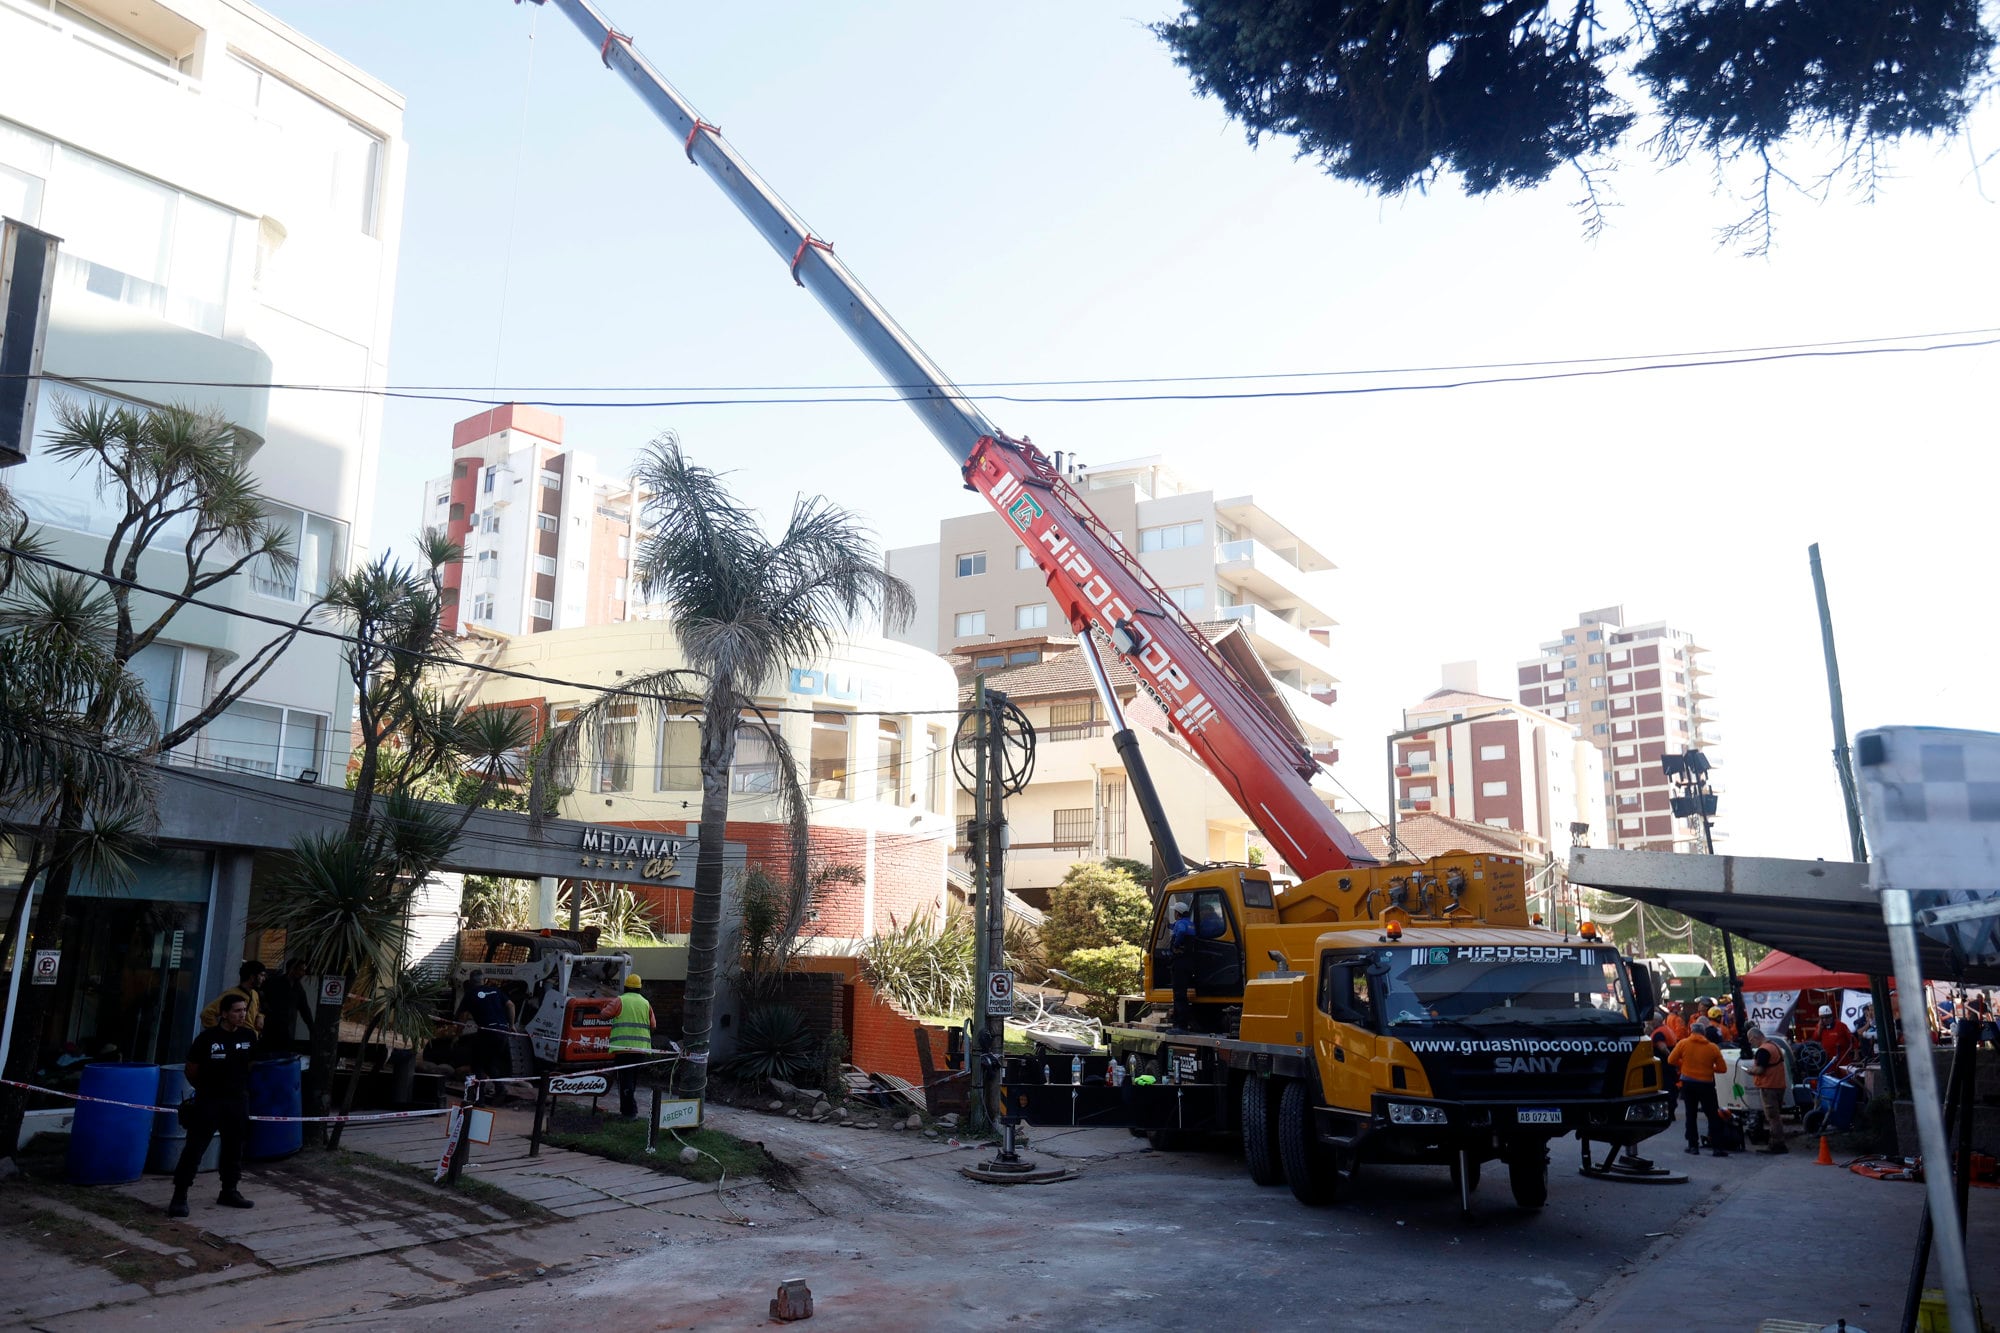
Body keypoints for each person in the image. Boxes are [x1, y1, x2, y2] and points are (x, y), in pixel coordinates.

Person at [168, 991, 258, 1217]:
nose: (242, 1014)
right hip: (209, 1100)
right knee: (195, 1147)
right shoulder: (207, 1039)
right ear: (224, 1014)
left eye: (244, 1010)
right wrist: (205, 1089)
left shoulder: (249, 1037)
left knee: (234, 1147)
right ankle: (180, 1195)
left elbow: (251, 1065)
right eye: (237, 1011)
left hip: (237, 1100)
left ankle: (229, 1190)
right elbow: (191, 1069)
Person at [1670, 1021, 1732, 1156]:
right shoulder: (1713, 1048)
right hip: (1706, 1084)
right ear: (1704, 1033)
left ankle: (1693, 1146)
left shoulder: (1683, 1044)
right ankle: (1717, 1147)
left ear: (1691, 1031)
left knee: (1690, 1114)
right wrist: (1710, 1068)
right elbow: (1722, 1069)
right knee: (1712, 1116)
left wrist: (1684, 1065)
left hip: (1688, 1084)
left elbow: (1671, 1060)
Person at [456, 969, 517, 1103]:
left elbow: (464, 1016)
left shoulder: (470, 994)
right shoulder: (496, 991)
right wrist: (511, 1024)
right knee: (490, 1063)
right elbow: (511, 1005)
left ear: (471, 982)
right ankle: (500, 1089)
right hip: (502, 1033)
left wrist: (457, 1034)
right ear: (484, 980)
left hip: (487, 1033)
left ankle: (480, 1099)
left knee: (478, 1065)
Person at [606, 972, 657, 1119]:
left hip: (623, 1049)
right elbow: (653, 1025)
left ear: (626, 987)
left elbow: (604, 1014)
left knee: (624, 1079)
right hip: (640, 1049)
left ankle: (629, 1112)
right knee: (632, 1079)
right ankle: (627, 1110)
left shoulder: (620, 1000)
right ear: (639, 988)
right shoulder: (646, 1003)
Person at [1745, 1025, 1791, 1154]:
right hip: (1778, 1085)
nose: (1750, 1043)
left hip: (1769, 1086)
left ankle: (1777, 1145)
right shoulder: (1774, 1046)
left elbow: (1760, 1069)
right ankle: (1776, 1143)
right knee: (1776, 1116)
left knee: (1773, 1117)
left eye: (1750, 1040)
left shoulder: (1763, 1050)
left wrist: (1750, 1071)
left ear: (1755, 1037)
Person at [258, 957, 310, 1056]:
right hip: (269, 1027)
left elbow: (304, 1009)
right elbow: (260, 995)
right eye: (300, 970)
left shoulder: (298, 988)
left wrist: (312, 1029)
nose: (303, 973)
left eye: (304, 970)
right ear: (292, 969)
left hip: (285, 1028)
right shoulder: (274, 982)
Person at [200, 960, 267, 1035]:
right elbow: (207, 1013)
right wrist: (221, 1033)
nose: (263, 979)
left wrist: (260, 1016)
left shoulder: (254, 994)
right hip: (236, 1040)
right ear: (252, 977)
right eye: (261, 975)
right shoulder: (232, 994)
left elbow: (256, 1011)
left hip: (249, 1040)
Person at [1166, 900, 1197, 1030]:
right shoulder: (1191, 924)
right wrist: (1168, 925)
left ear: (1177, 913)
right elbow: (1179, 928)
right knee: (1182, 993)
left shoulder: (1181, 925)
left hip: (1179, 963)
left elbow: (1180, 931)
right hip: (1189, 962)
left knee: (1179, 995)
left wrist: (1176, 945)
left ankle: (1180, 1025)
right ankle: (1182, 1023)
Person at [1650, 1010, 1682, 1121]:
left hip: (1664, 1066)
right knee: (1671, 1088)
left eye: (1651, 1021)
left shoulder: (1658, 1033)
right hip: (1670, 1066)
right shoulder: (1667, 1029)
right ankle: (1670, 1112)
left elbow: (1663, 1048)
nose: (1649, 1023)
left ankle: (1667, 1113)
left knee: (1666, 1089)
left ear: (1655, 1021)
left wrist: (1671, 1059)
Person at [1817, 1004, 1856, 1068]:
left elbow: (1852, 1039)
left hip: (1842, 1059)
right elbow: (1815, 1040)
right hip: (1828, 1061)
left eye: (1827, 1017)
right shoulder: (1819, 1027)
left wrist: (1856, 1053)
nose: (1825, 1020)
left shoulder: (1841, 1026)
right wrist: (1819, 1029)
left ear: (1831, 1016)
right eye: (1822, 1018)